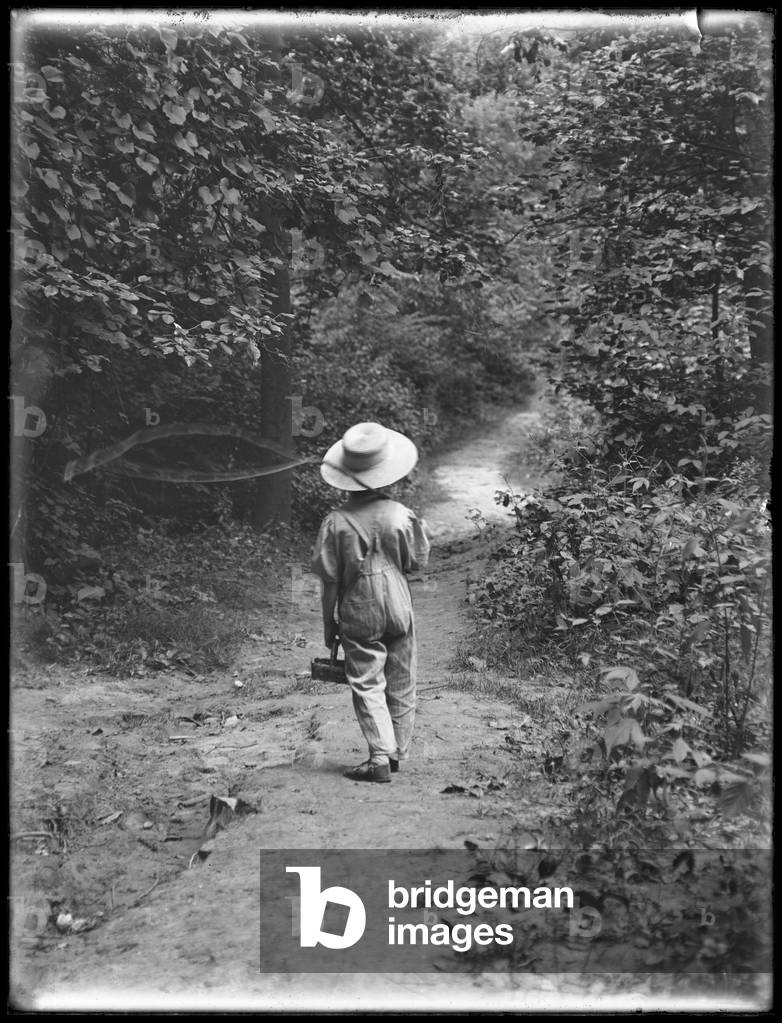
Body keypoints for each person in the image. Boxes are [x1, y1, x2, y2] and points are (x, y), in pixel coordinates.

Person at [311, 422, 430, 783]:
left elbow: (330, 580)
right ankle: (396, 752)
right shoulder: (401, 515)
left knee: (365, 678)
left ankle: (379, 754)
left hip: (358, 605)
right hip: (398, 600)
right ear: (386, 472)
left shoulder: (336, 522)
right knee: (401, 676)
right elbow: (417, 562)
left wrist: (329, 623)